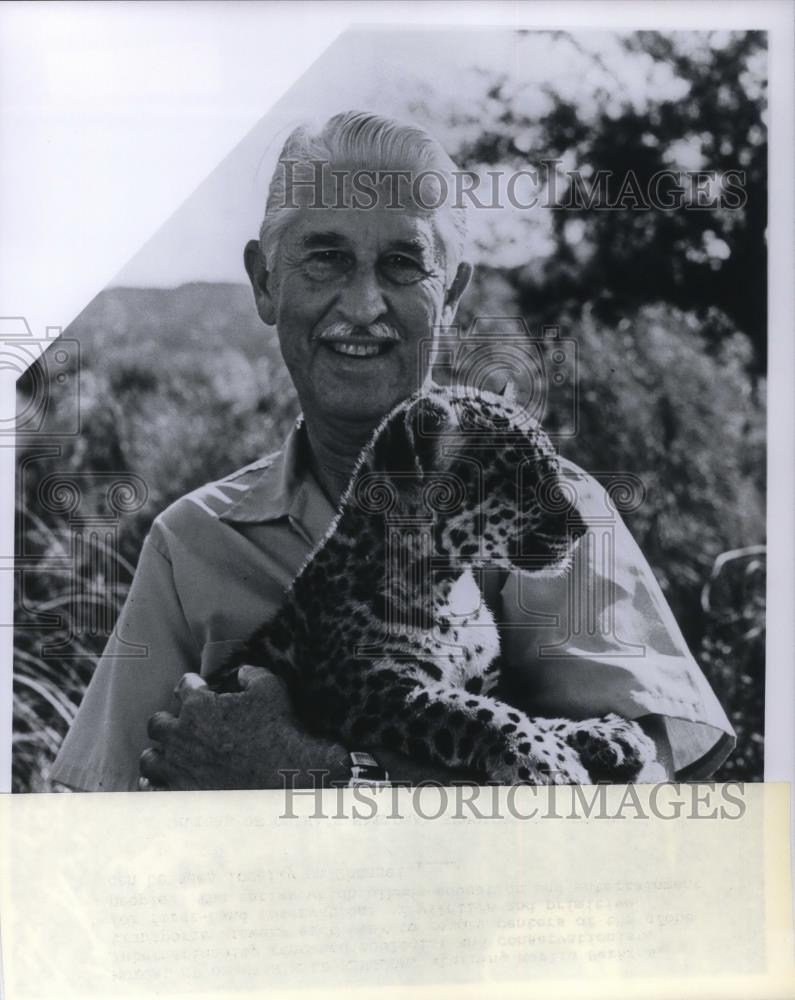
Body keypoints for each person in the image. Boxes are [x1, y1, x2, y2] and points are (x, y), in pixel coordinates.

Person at [50, 111, 735, 792]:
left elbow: (636, 799)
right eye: (325, 259)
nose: (362, 305)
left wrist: (320, 774)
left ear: (452, 295)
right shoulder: (191, 542)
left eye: (403, 264)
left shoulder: (554, 504)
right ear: (265, 282)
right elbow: (103, 825)